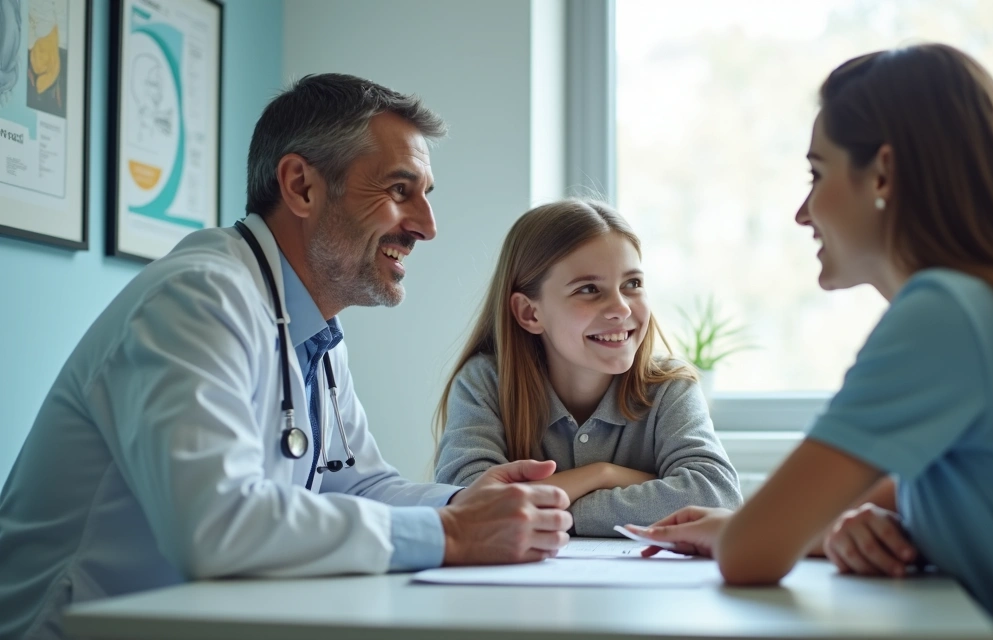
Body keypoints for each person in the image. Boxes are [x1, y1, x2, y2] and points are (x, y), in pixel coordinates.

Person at [627, 44, 993, 639]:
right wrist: (828, 525)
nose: (803, 213)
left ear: (882, 172)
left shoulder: (946, 313)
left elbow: (753, 555)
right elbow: (886, 497)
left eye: (817, 174)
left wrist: (751, 532)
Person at [0, 73, 572, 640]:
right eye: (400, 191)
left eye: (425, 195)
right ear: (301, 186)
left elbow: (358, 486)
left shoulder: (308, 328)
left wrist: (468, 500)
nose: (426, 225)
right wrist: (451, 533)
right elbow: (216, 527)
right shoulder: (198, 298)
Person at [433, 199, 743, 536]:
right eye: (589, 289)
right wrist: (604, 474)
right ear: (529, 313)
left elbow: (717, 496)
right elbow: (472, 504)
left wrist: (551, 507)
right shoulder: (485, 383)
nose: (621, 308)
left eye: (633, 284)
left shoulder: (670, 387)